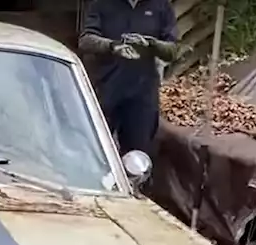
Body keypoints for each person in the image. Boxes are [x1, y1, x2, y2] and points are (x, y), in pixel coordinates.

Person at [77, 0, 181, 156]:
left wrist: (151, 44)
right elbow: (85, 40)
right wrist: (113, 46)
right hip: (106, 89)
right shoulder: (101, 4)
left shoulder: (161, 5)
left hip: (142, 94)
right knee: (94, 151)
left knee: (137, 156)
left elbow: (172, 51)